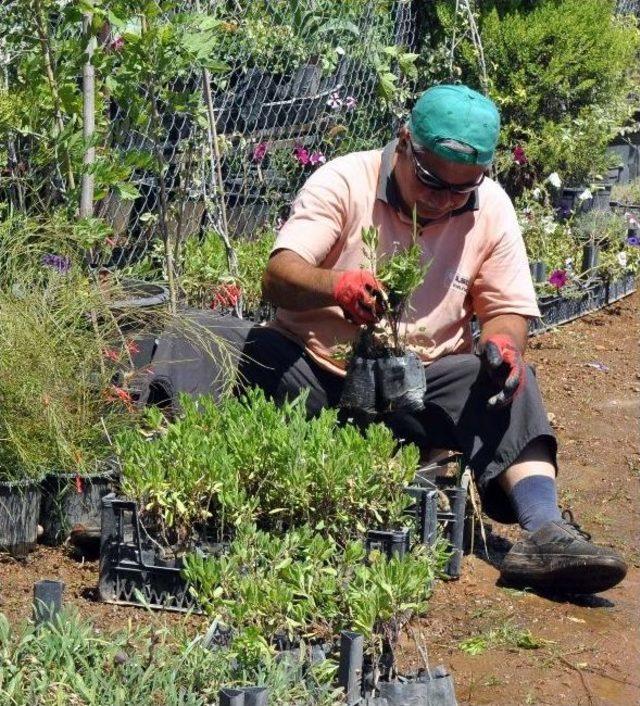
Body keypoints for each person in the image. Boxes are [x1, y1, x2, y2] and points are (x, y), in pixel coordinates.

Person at [237, 84, 627, 595]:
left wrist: (504, 343)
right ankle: (130, 481)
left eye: (460, 190)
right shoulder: (344, 180)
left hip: (417, 392)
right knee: (213, 343)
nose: (442, 200)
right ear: (403, 143)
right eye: (430, 181)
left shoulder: (490, 209)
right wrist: (337, 285)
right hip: (313, 373)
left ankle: (544, 531)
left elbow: (506, 311)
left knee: (507, 375)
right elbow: (279, 274)